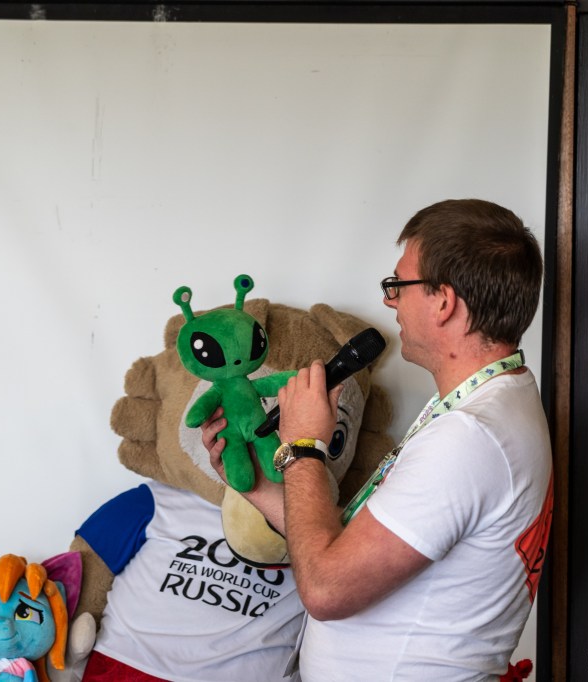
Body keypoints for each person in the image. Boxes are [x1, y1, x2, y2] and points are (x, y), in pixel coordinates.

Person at [201, 198, 553, 680]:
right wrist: (259, 487)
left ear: (444, 301)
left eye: (398, 285)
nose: (390, 302)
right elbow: (350, 548)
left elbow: (326, 589)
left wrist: (303, 447)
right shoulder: (495, 403)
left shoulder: (469, 438)